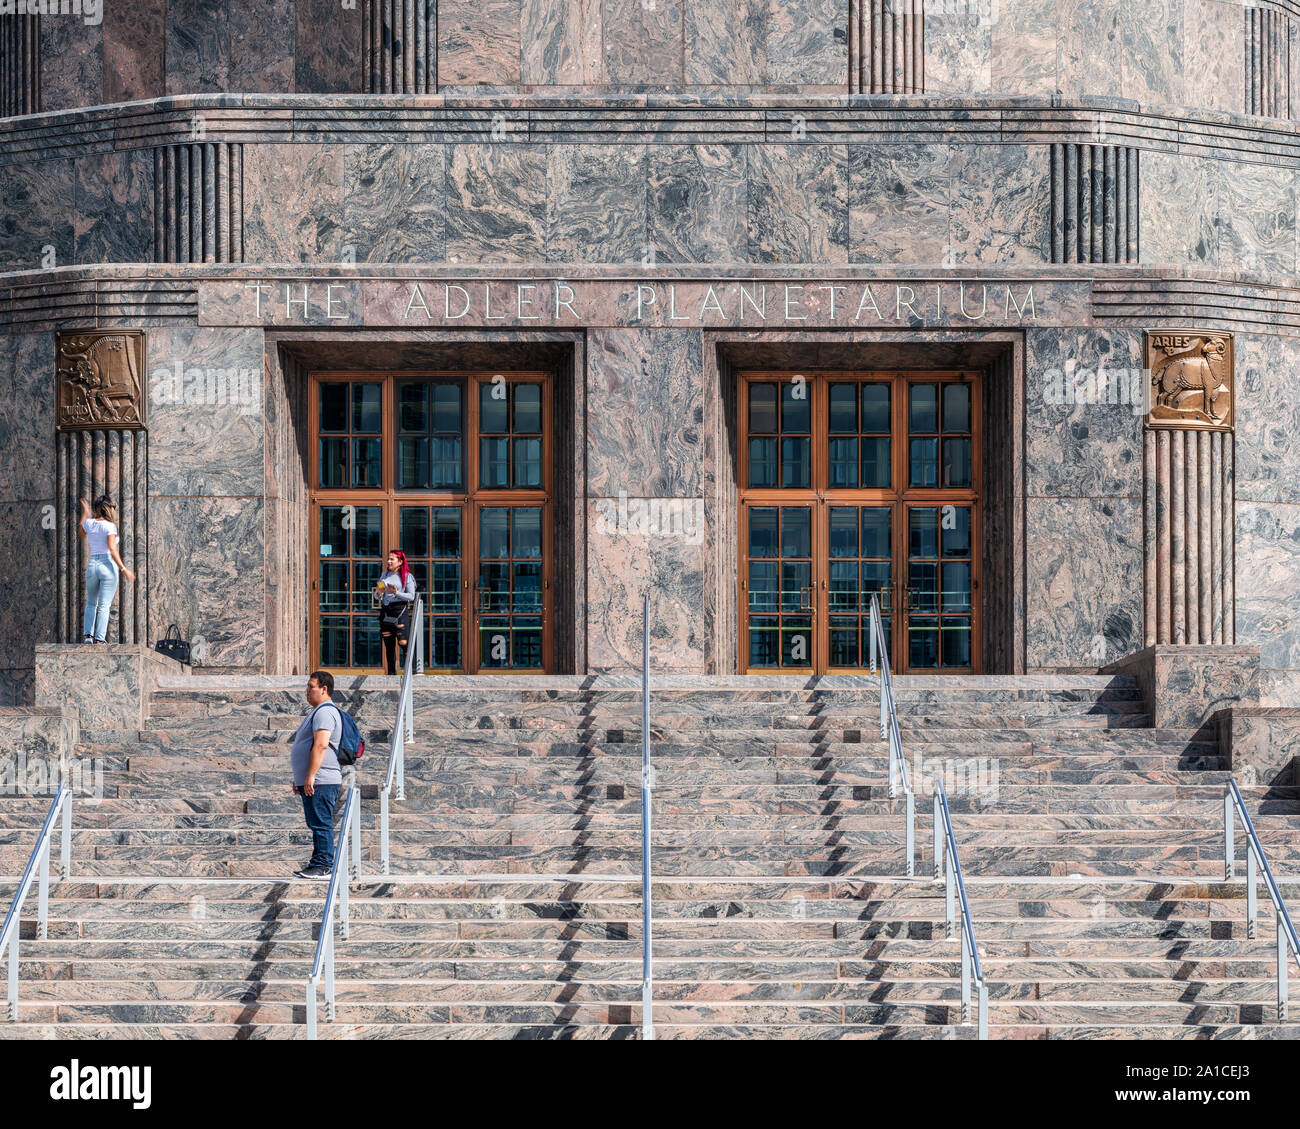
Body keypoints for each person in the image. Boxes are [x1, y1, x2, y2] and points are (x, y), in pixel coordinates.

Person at [290, 670, 344, 881]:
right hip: (314, 779)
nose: (307, 690)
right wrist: (300, 777)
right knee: (316, 823)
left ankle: (323, 866)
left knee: (321, 823)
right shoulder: (318, 711)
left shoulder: (325, 712)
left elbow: (321, 745)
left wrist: (310, 775)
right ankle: (318, 864)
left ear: (324, 689)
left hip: (322, 779)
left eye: (311, 686)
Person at [78, 494, 137, 644]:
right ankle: (99, 638)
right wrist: (124, 569)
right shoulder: (110, 526)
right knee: (104, 605)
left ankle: (88, 637)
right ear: (108, 508)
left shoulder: (89, 523)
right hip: (107, 565)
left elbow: (80, 533)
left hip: (92, 565)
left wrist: (85, 514)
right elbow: (112, 548)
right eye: (113, 507)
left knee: (91, 602)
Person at [374, 549, 416, 675]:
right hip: (386, 610)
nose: (389, 561)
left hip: (400, 610)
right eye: (388, 558)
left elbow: (411, 596)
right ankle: (391, 672)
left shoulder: (407, 576)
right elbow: (377, 596)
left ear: (400, 562)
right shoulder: (384, 575)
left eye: (392, 559)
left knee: (403, 641)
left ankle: (410, 671)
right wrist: (379, 593)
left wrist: (396, 593)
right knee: (388, 643)